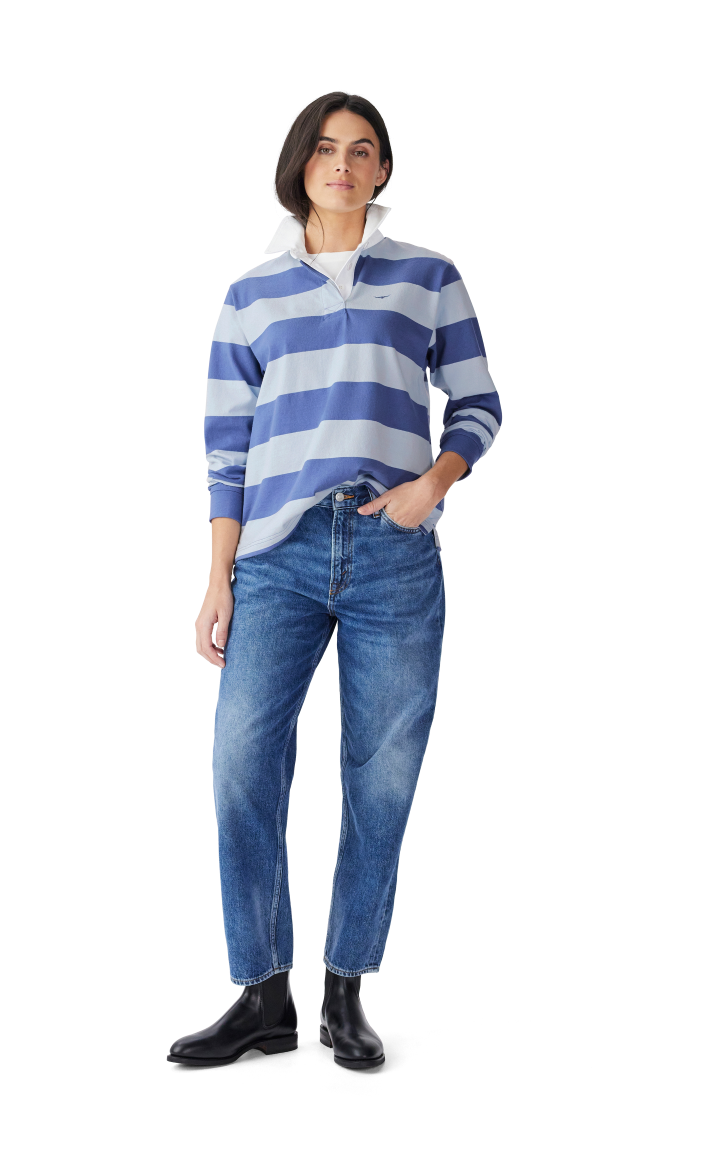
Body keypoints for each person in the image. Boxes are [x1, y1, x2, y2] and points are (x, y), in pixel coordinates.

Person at [167, 90, 501, 1068]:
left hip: (394, 553)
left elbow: (478, 402)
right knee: (239, 765)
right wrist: (217, 577)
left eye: (362, 150)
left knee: (381, 777)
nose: (343, 164)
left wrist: (432, 483)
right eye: (325, 148)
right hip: (274, 555)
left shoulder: (429, 275)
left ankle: (346, 990)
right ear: (298, 165)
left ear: (384, 169)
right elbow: (224, 447)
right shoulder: (251, 294)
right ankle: (262, 990)